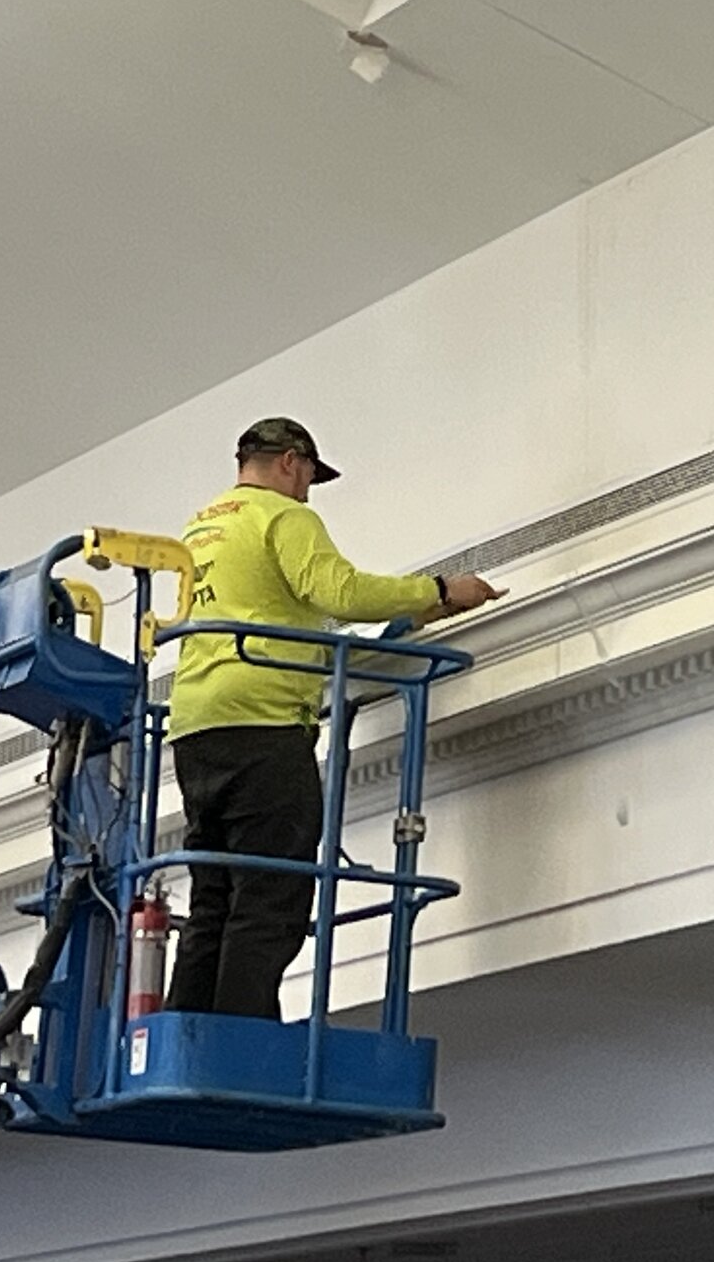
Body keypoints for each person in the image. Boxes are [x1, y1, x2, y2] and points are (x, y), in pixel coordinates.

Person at [164, 417, 504, 1020]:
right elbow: (339, 591)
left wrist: (400, 626)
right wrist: (440, 590)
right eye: (308, 480)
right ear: (291, 462)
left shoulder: (202, 528)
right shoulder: (283, 516)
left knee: (216, 896)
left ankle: (186, 1037)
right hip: (263, 721)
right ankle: (242, 1043)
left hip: (195, 726)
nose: (307, 493)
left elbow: (281, 620)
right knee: (271, 893)